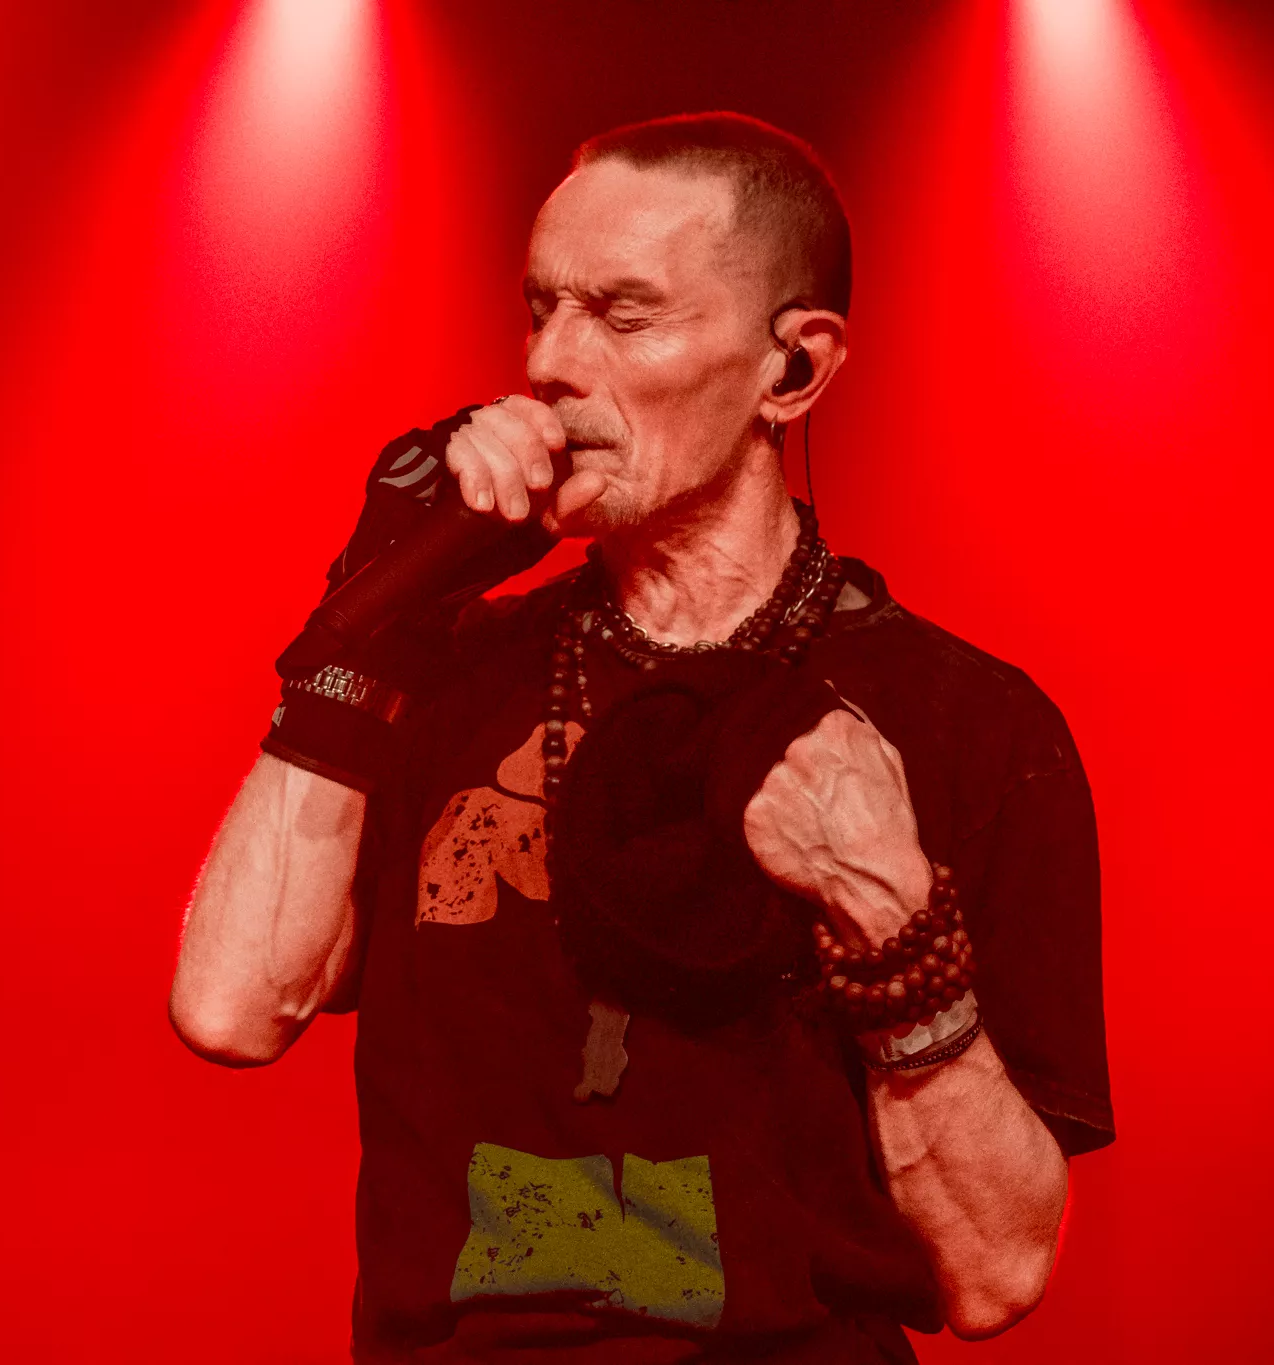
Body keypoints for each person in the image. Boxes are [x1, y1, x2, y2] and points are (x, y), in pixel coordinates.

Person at [171, 112, 1113, 1364]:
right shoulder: (444, 673)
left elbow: (994, 1275)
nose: (550, 364)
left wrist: (888, 912)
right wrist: (369, 616)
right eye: (541, 309)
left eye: (623, 318)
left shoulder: (968, 727)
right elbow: (230, 1011)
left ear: (793, 368)